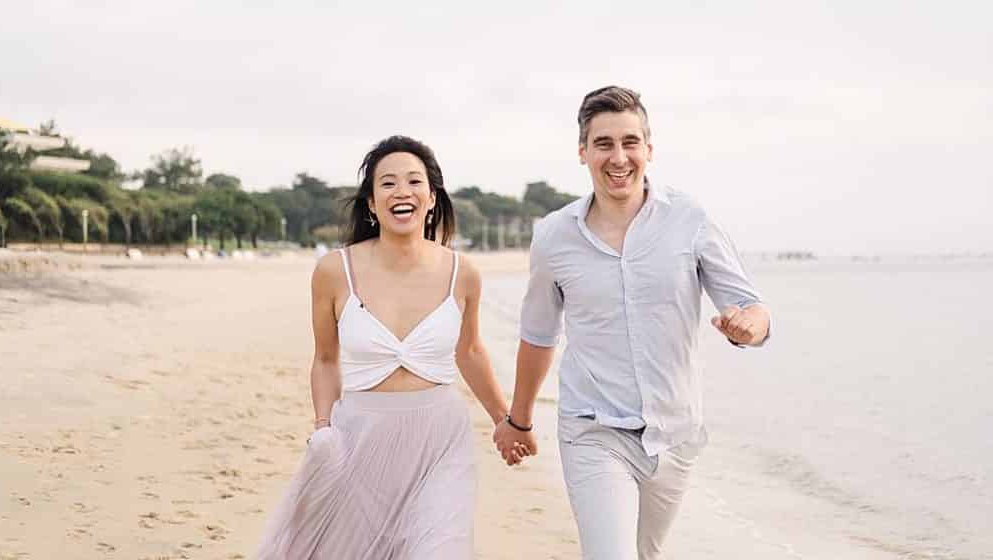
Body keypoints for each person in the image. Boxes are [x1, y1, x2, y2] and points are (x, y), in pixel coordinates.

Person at [493, 85, 771, 560]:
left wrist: (748, 327)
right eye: (603, 144)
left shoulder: (690, 219)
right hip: (593, 428)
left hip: (676, 434)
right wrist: (518, 421)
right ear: (583, 152)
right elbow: (539, 335)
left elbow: (753, 308)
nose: (618, 157)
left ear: (648, 150)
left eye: (629, 143)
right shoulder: (554, 236)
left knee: (645, 555)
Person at [257, 135, 523, 560]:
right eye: (388, 183)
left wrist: (504, 421)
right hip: (360, 438)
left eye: (414, 181)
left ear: (431, 198)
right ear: (371, 204)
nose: (403, 191)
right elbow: (325, 359)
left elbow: (470, 351)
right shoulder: (333, 271)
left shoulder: (463, 272)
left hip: (440, 441)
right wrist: (323, 426)